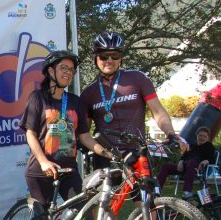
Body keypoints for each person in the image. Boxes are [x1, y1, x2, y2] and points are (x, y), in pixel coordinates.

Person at [80, 31, 188, 169]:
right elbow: (84, 132)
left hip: (137, 153)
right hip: (105, 156)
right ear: (95, 58)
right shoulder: (88, 93)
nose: (109, 60)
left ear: (120, 58)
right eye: (103, 56)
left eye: (115, 56)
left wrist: (171, 134)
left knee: (146, 184)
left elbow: (158, 112)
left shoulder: (137, 79)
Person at [21, 50, 113, 208]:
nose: (68, 73)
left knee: (83, 214)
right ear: (51, 71)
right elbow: (31, 134)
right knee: (42, 217)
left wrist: (106, 153)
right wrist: (43, 162)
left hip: (69, 171)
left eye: (71, 70)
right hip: (41, 170)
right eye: (64, 68)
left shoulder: (75, 101)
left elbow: (85, 137)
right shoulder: (37, 98)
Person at [157, 126, 216, 198]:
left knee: (191, 162)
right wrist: (181, 162)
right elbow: (184, 156)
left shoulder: (209, 146)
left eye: (205, 136)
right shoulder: (192, 146)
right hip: (185, 167)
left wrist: (205, 161)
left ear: (208, 137)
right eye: (200, 135)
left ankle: (187, 191)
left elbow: (212, 159)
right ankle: (157, 191)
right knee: (165, 166)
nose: (202, 138)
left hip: (197, 168)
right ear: (197, 135)